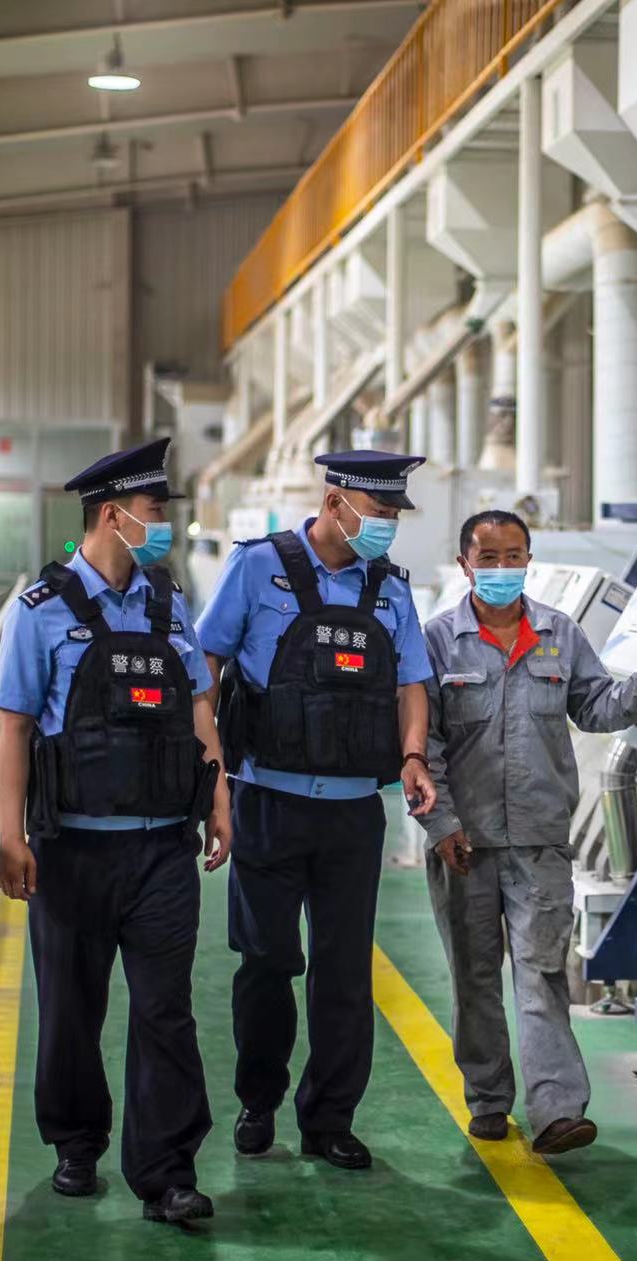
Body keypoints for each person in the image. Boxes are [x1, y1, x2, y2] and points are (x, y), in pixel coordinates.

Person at [0, 436, 230, 1225]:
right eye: (154, 511)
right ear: (111, 515)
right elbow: (15, 729)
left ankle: (166, 1174)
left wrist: (219, 796)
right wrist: (10, 834)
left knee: (166, 1010)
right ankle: (75, 1141)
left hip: (162, 847)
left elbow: (199, 704)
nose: (163, 526)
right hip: (73, 849)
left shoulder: (168, 603)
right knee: (71, 1009)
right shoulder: (39, 611)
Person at [415, 510, 637, 1155]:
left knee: (542, 974)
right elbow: (420, 744)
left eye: (513, 556)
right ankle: (488, 1098)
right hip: (462, 843)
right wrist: (440, 824)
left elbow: (594, 707)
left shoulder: (559, 633)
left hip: (539, 840)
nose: (501, 568)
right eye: (488, 558)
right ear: (465, 564)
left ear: (529, 560)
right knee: (474, 978)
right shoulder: (436, 641)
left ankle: (557, 1111)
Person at [198, 450, 438, 1172]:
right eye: (380, 513)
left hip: (353, 815)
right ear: (336, 503)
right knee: (266, 963)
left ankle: (330, 1119)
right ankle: (258, 1101)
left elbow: (412, 683)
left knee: (343, 973)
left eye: (394, 515)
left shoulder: (389, 588)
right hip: (267, 801)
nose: (387, 526)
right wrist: (210, 767)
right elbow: (206, 663)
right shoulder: (256, 567)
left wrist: (414, 755)